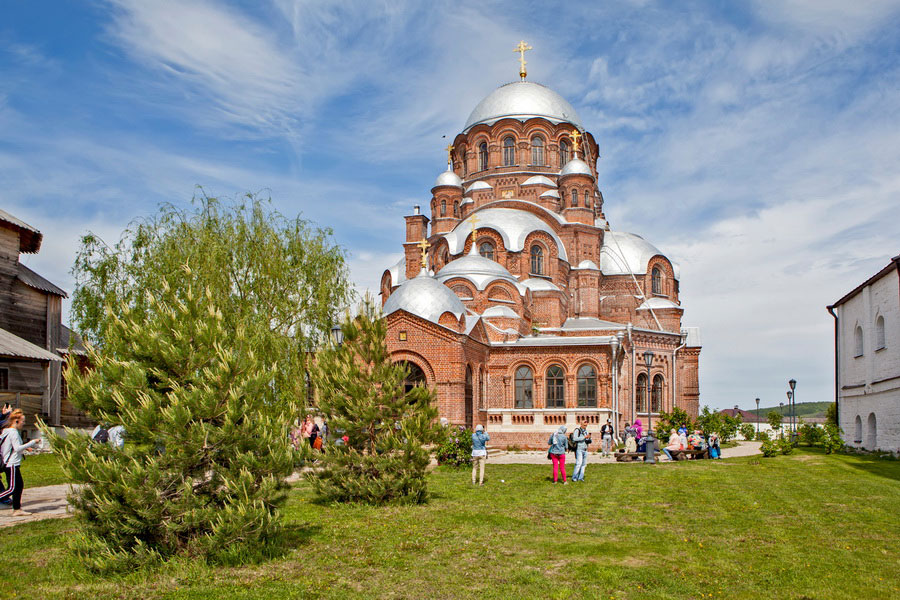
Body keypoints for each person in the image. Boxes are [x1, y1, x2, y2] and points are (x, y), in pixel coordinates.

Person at [0, 410, 41, 516]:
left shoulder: (7, 431)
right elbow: (17, 448)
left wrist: (26, 448)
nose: (24, 423)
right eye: (23, 421)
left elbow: (12, 446)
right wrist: (32, 442)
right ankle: (16, 509)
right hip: (11, 464)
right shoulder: (13, 432)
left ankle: (17, 509)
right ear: (16, 421)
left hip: (12, 463)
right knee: (12, 488)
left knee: (19, 486)